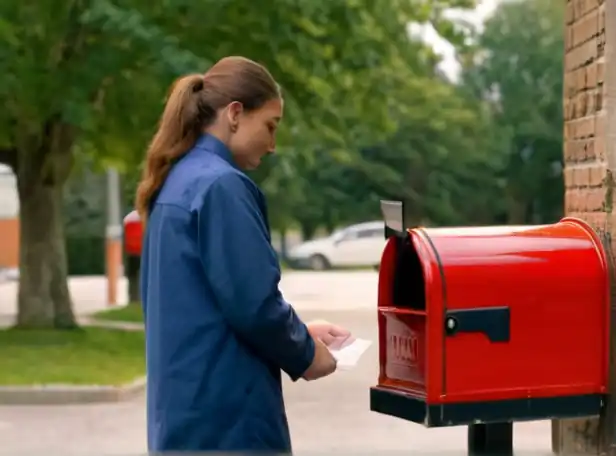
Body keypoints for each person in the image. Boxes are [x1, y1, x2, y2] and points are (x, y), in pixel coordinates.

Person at [134, 56, 350, 453]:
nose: (273, 145)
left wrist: (301, 331)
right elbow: (254, 305)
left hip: (185, 415)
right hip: (229, 417)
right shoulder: (222, 187)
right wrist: (306, 355)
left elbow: (216, 300)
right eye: (270, 126)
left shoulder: (174, 181)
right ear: (235, 114)